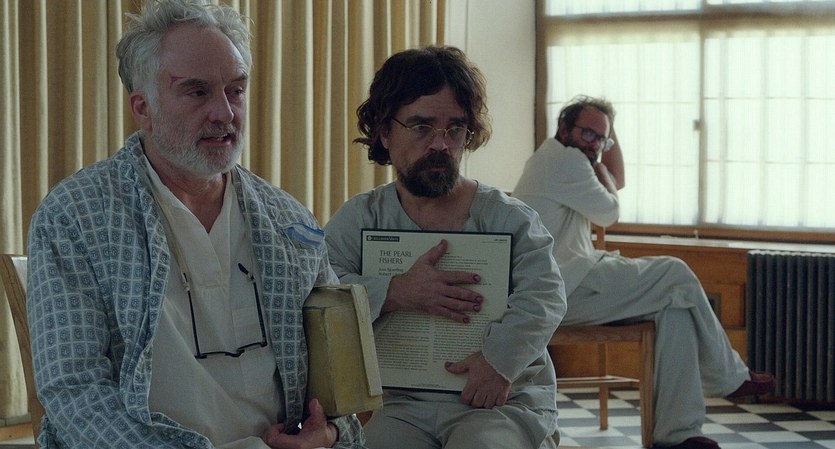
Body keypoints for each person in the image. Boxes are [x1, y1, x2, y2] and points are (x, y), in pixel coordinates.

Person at [25, 1, 366, 448]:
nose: (224, 113)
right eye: (197, 92)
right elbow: (74, 392)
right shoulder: (76, 216)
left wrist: (329, 433)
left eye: (236, 90)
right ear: (143, 108)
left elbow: (338, 383)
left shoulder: (289, 221)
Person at [323, 46, 566, 449]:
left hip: (501, 401)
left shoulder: (509, 218)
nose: (441, 144)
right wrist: (395, 291)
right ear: (384, 131)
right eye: (421, 127)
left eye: (455, 129)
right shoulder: (361, 217)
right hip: (402, 404)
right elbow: (322, 292)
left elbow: (545, 296)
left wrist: (498, 363)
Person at [512, 95, 776, 449]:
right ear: (563, 128)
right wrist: (602, 162)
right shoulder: (563, 159)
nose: (594, 144)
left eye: (601, 139)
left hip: (573, 282)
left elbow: (615, 180)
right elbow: (610, 211)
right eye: (587, 133)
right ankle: (728, 376)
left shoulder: (563, 157)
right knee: (675, 272)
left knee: (676, 309)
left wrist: (606, 137)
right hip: (558, 293)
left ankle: (678, 436)